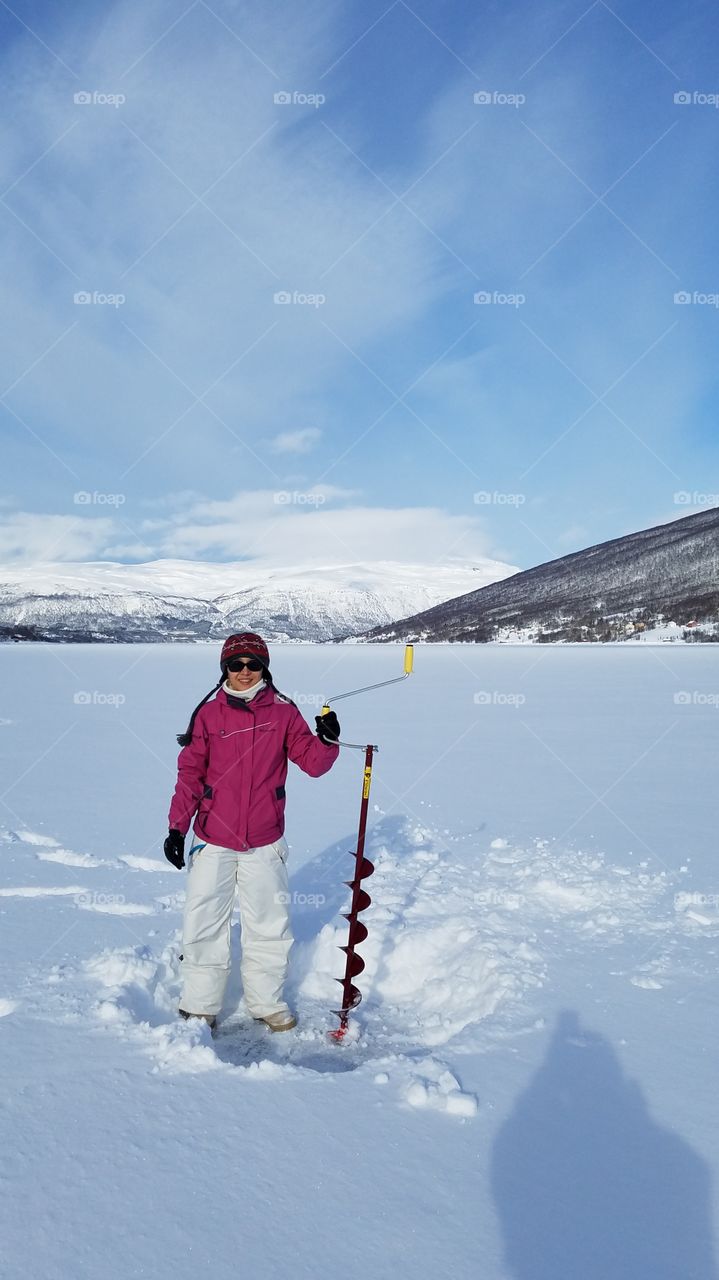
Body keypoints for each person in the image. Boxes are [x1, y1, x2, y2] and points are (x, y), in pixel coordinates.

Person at [164, 632, 340, 1033]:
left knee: (269, 925)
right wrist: (177, 828)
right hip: (213, 837)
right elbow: (189, 775)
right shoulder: (208, 714)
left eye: (253, 664)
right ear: (224, 668)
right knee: (205, 921)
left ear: (265, 667)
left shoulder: (284, 712)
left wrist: (327, 740)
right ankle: (200, 1004)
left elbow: (312, 763)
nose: (245, 672)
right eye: (235, 664)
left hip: (265, 839)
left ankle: (266, 1003)